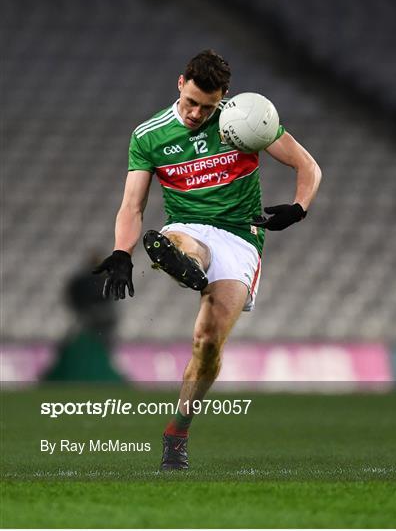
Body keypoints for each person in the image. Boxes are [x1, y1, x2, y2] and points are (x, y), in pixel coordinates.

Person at [94, 49, 322, 470]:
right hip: (188, 225)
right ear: (180, 84)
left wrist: (298, 207)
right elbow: (132, 205)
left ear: (224, 97)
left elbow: (308, 166)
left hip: (241, 236)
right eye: (191, 102)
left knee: (208, 342)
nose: (197, 113)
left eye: (207, 105)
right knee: (179, 242)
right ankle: (182, 261)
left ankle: (177, 432)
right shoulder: (149, 135)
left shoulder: (245, 118)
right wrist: (121, 253)